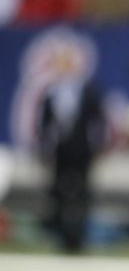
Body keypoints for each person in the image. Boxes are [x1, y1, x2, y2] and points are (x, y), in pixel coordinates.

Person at [37, 43, 107, 254]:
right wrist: (43, 149)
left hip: (82, 149)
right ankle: (60, 238)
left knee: (83, 193)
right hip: (59, 150)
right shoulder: (51, 92)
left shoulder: (88, 89)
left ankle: (79, 238)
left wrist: (99, 147)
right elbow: (44, 125)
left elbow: (99, 122)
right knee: (57, 193)